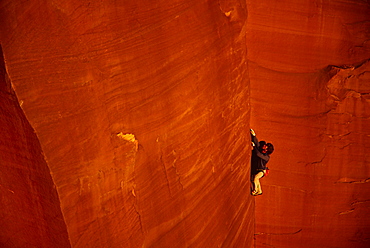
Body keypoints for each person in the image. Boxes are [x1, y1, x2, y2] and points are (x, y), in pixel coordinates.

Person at [250, 129, 274, 196]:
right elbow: (257, 144)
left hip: (262, 170)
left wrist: (254, 147)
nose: (264, 148)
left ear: (267, 151)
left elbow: (258, 154)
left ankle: (255, 190)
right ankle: (259, 191)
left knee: (256, 178)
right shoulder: (262, 150)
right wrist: (254, 135)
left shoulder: (267, 157)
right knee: (254, 178)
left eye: (266, 148)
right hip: (257, 169)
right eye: (265, 147)